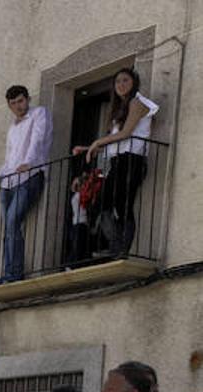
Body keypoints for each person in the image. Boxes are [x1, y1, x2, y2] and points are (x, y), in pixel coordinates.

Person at [73, 68, 158, 258]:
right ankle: (116, 246)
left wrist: (97, 142)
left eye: (125, 80)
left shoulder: (137, 103)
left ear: (134, 82)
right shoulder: (120, 109)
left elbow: (126, 134)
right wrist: (88, 149)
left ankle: (121, 250)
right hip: (120, 161)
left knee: (122, 206)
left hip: (132, 161)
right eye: (117, 81)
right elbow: (116, 142)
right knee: (101, 204)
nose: (121, 84)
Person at [0, 85, 52, 282]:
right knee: (8, 228)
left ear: (27, 99)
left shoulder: (39, 113)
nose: (18, 106)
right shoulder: (12, 128)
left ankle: (14, 274)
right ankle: (8, 273)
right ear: (9, 106)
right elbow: (9, 161)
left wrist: (29, 162)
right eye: (13, 103)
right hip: (9, 182)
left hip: (31, 176)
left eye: (20, 101)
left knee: (11, 223)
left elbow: (38, 139)